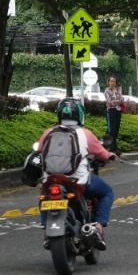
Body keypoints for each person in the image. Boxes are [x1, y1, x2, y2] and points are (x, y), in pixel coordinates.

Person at [37, 98, 116, 249]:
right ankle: (98, 227)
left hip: (51, 180)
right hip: (77, 182)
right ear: (80, 115)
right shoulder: (85, 134)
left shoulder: (48, 132)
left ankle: (46, 230)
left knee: (44, 195)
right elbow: (102, 153)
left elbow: (39, 151)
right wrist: (110, 155)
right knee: (107, 192)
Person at [103, 76, 125, 153]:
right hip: (111, 111)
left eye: (114, 81)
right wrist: (117, 101)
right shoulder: (107, 91)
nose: (113, 83)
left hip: (118, 111)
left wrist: (117, 101)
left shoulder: (117, 90)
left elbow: (122, 99)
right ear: (108, 82)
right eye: (111, 81)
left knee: (116, 129)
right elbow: (109, 102)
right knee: (111, 129)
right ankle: (111, 147)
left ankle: (114, 146)